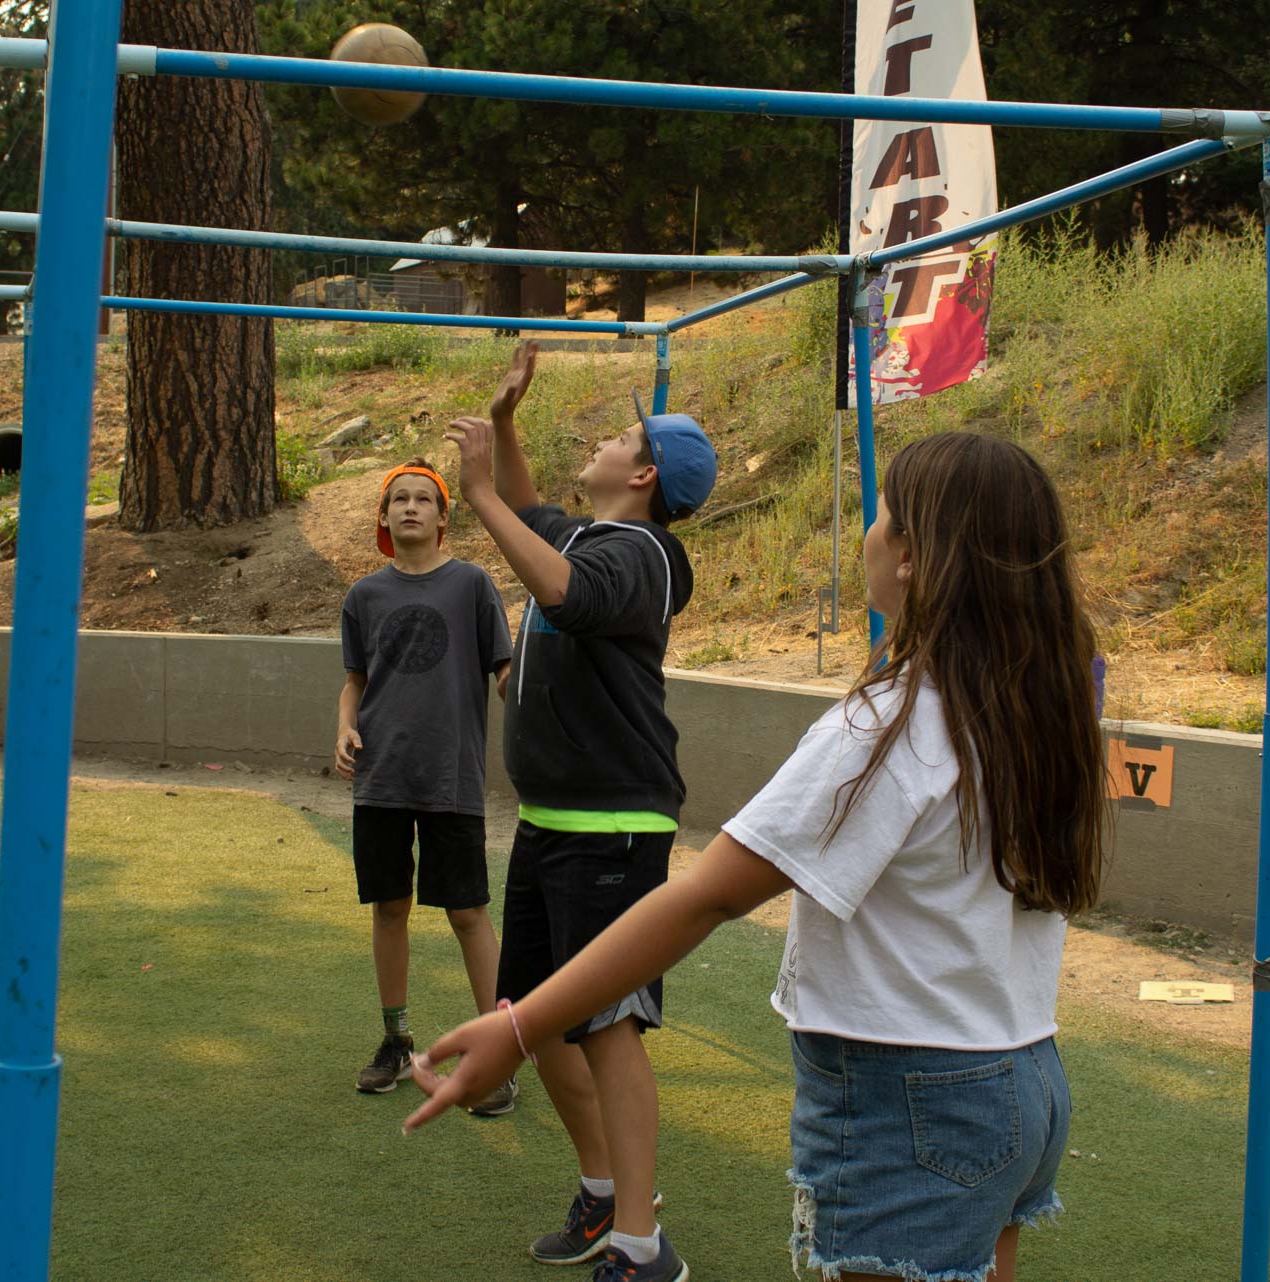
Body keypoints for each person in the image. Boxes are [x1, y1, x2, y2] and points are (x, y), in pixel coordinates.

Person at [407, 432, 1109, 1282]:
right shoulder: (1037, 713)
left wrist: (518, 1026)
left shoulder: (886, 731)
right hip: (1025, 1078)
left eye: (883, 514)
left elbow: (707, 897)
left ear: (914, 557)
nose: (869, 532)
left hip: (916, 1097)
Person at [438, 342, 717, 1281]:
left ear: (643, 475)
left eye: (621, 436)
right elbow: (531, 518)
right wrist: (504, 424)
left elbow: (560, 588)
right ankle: (603, 1193)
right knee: (534, 1017)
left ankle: (643, 1244)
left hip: (612, 827)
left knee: (606, 1024)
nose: (602, 438)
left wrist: (476, 493)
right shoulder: (594, 535)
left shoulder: (642, 554)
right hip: (552, 820)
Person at [336, 458, 518, 1115]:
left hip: (452, 777)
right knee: (390, 907)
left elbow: (505, 671)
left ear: (444, 518)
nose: (410, 507)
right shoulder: (363, 597)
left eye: (423, 499)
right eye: (399, 499)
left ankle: (497, 1055)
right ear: (383, 518)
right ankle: (395, 1039)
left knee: (468, 912)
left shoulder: (472, 585)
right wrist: (344, 727)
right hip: (381, 776)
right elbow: (356, 681)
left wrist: (534, 698)